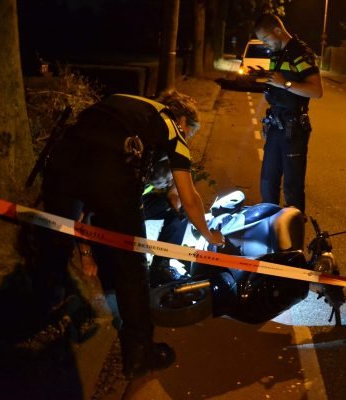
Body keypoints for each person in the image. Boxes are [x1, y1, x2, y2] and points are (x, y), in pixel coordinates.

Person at [32, 90, 224, 380]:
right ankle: (139, 355)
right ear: (183, 120)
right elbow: (189, 197)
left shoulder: (123, 101)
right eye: (189, 133)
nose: (187, 138)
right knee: (132, 266)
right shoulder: (172, 126)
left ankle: (43, 313)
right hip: (110, 174)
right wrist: (209, 235)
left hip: (61, 163)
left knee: (55, 241)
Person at [254, 13, 323, 214]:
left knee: (292, 189)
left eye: (266, 38)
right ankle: (270, 228)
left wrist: (285, 83)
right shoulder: (277, 54)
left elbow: (317, 91)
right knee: (267, 183)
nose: (265, 44)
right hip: (275, 126)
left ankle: (293, 231)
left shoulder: (301, 52)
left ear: (277, 30)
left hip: (294, 130)